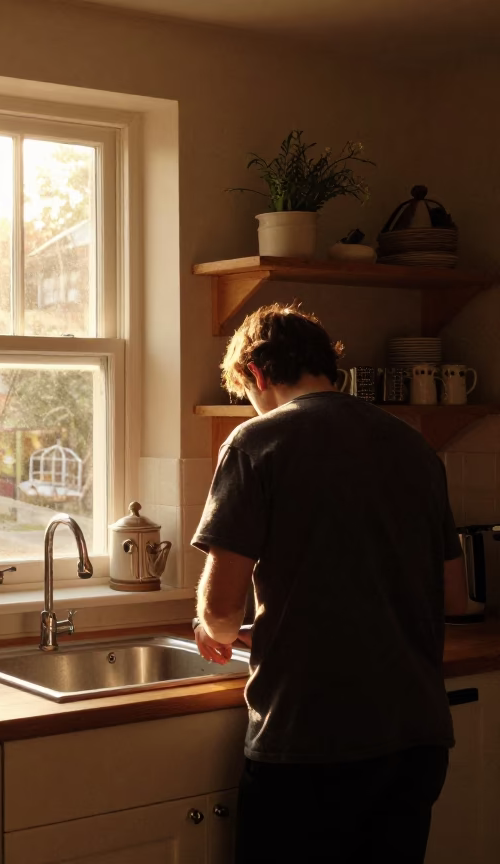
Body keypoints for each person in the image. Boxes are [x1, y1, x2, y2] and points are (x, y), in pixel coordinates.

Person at [190, 303, 469, 864]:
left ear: (258, 374)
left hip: (310, 742)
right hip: (415, 741)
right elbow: (454, 594)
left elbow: (221, 612)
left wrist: (210, 626)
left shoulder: (256, 442)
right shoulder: (414, 446)